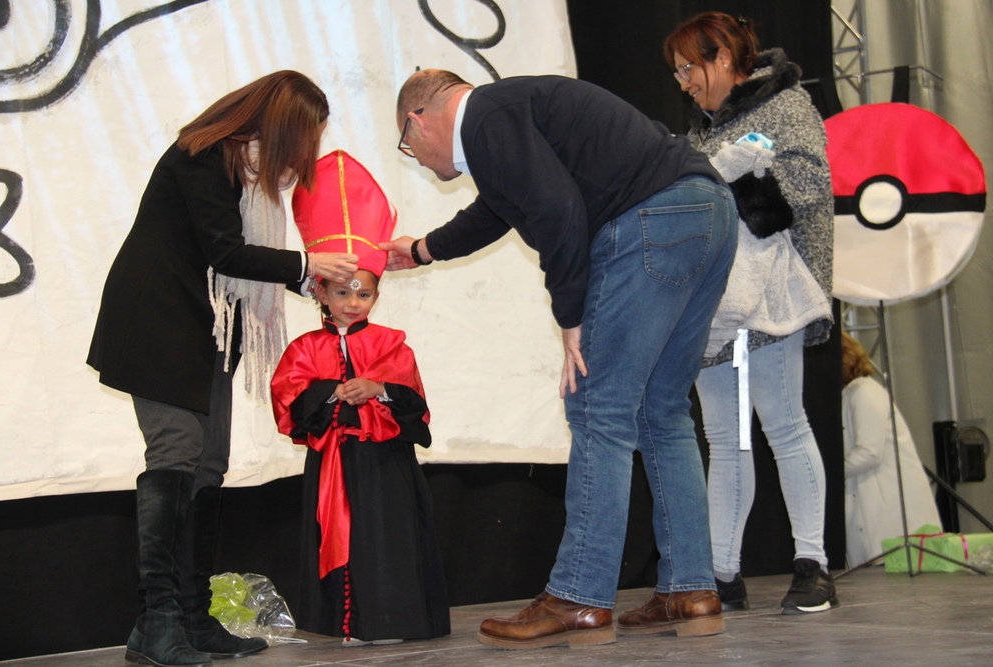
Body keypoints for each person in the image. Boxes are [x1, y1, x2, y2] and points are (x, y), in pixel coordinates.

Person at [383, 68, 737, 649]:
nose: (416, 157)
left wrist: (570, 317)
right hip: (709, 213)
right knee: (663, 410)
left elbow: (557, 213)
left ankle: (579, 595)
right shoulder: (512, 114)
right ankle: (689, 590)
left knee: (597, 408)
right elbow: (502, 207)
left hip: (651, 219)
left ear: (418, 119)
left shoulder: (487, 115)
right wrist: (422, 250)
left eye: (408, 144)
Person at [87, 71, 358, 667]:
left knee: (208, 464)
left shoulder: (248, 171)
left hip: (207, 325)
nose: (307, 150)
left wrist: (310, 271)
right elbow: (225, 251)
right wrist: (309, 265)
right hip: (158, 321)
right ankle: (160, 621)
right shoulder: (204, 155)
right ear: (284, 123)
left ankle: (189, 616)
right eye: (307, 134)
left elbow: (230, 261)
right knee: (178, 456)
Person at [664, 13, 837, 615]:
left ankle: (813, 564)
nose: (684, 81)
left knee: (784, 424)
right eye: (678, 71)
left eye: (690, 66)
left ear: (725, 57)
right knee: (726, 437)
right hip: (715, 303)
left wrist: (736, 184)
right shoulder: (699, 132)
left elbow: (810, 185)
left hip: (774, 294)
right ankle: (721, 572)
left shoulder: (786, 103)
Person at [271, 269, 450, 646]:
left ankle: (392, 622)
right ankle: (343, 625)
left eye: (363, 295)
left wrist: (379, 389)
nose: (353, 303)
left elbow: (414, 403)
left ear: (376, 297)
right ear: (321, 293)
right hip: (331, 463)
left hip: (386, 461)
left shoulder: (391, 344)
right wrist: (331, 392)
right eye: (342, 293)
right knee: (342, 535)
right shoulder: (304, 348)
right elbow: (291, 403)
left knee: (388, 538)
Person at [841, 332, 942, 567]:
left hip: (889, 517)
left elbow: (868, 454)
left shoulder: (864, 391)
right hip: (874, 511)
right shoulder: (851, 394)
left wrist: (824, 471)